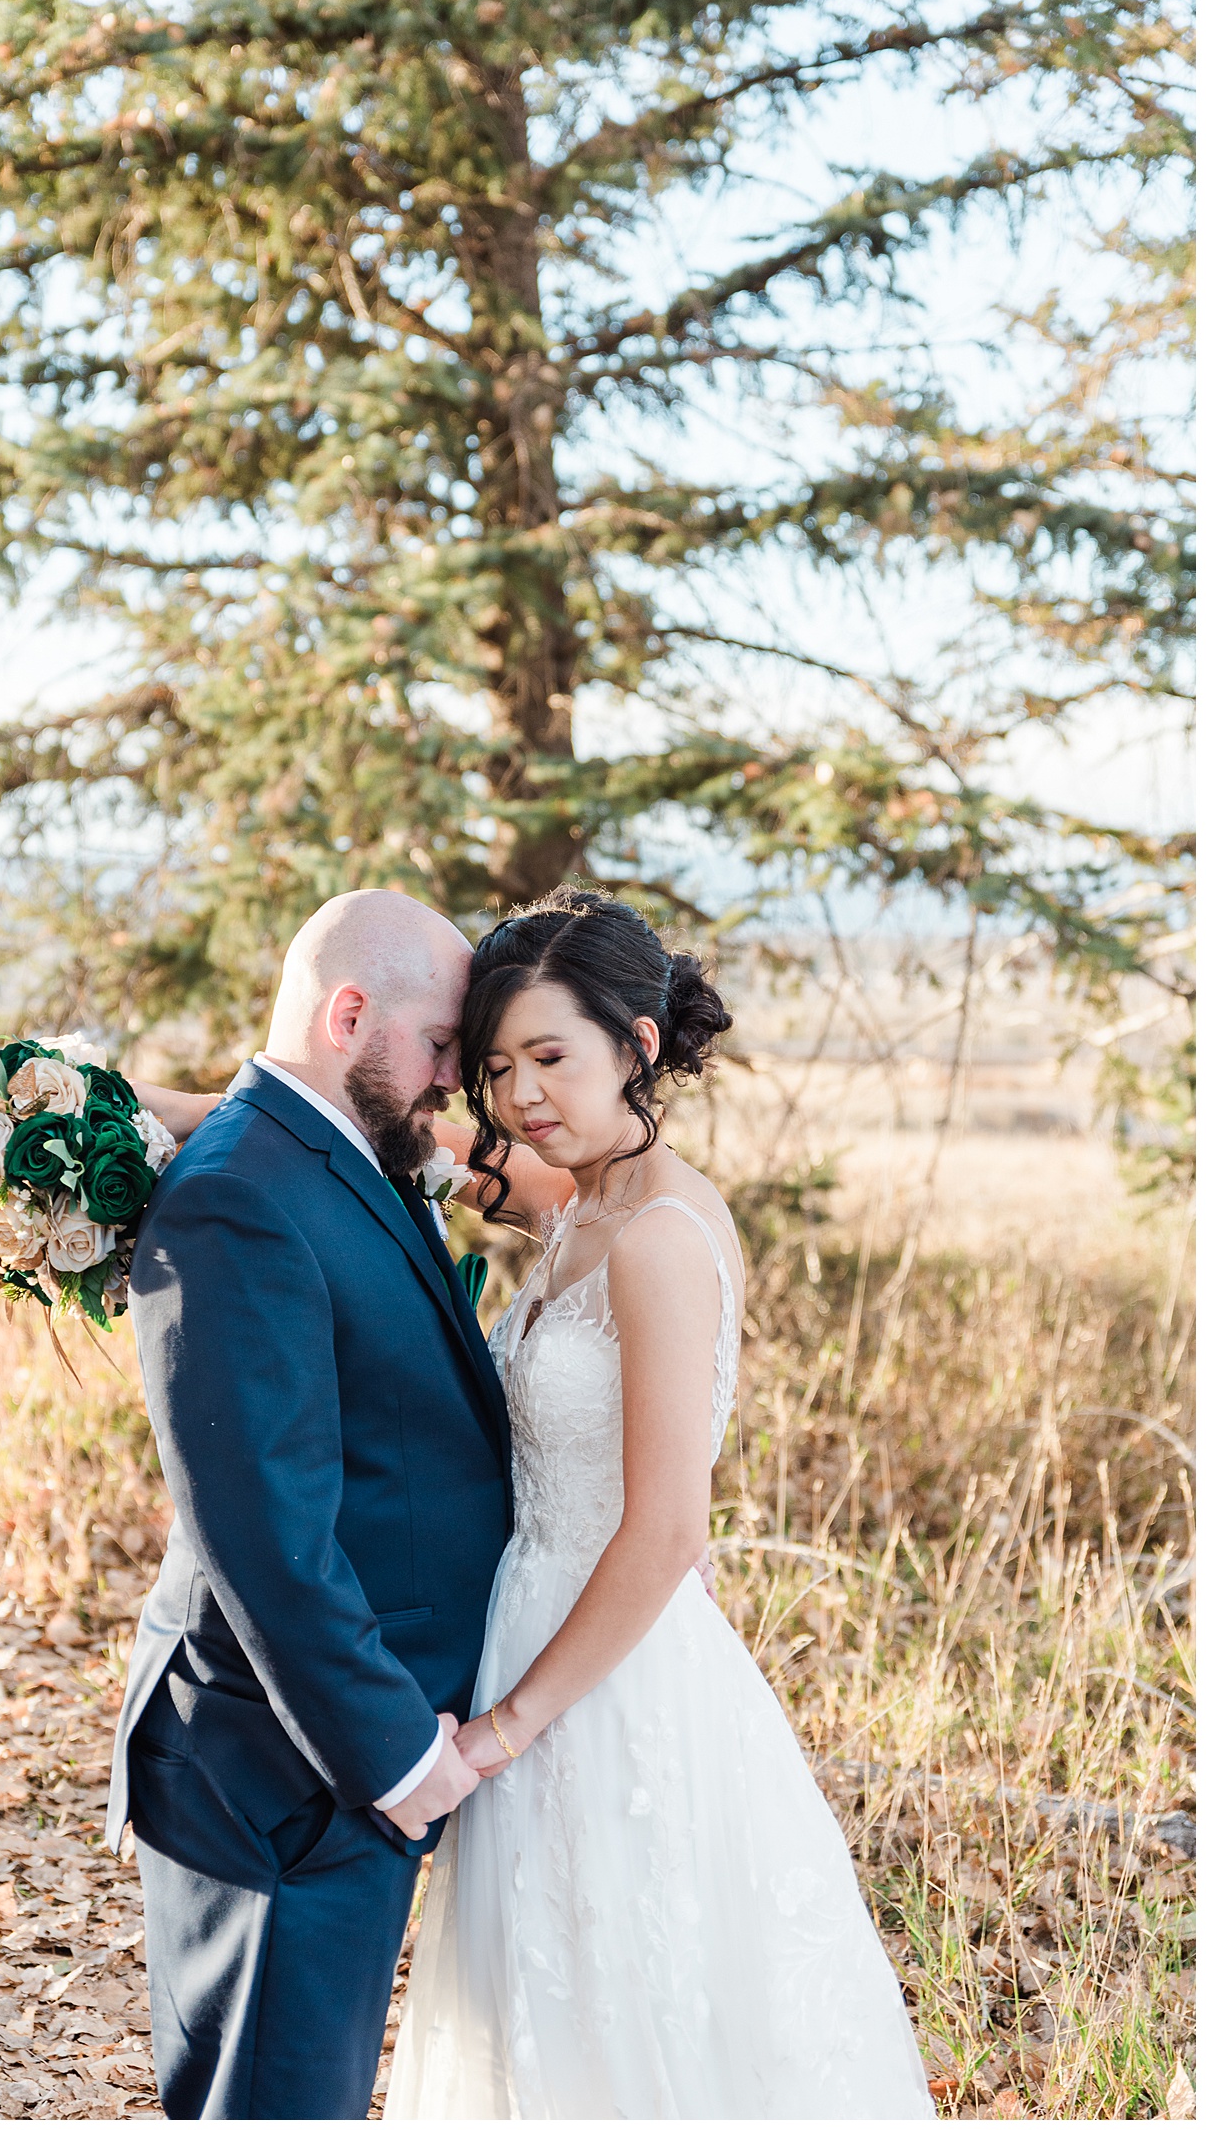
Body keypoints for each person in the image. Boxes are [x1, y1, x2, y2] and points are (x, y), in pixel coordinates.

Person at [378, 887, 934, 2119]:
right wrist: (137, 1117)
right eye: (498, 1065)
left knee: (637, 2016)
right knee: (541, 2012)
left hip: (608, 1676)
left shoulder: (659, 1237)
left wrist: (504, 1727)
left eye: (551, 1057)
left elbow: (671, 1527)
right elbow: (405, 1158)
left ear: (636, 1044)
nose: (520, 1095)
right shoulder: (581, 1203)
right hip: (534, 1626)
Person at [109, 889, 561, 2121]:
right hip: (287, 1772)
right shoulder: (237, 1195)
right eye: (441, 1053)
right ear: (348, 1013)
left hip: (336, 1762)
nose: (454, 1089)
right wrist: (396, 1751)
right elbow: (263, 1531)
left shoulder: (337, 1151)